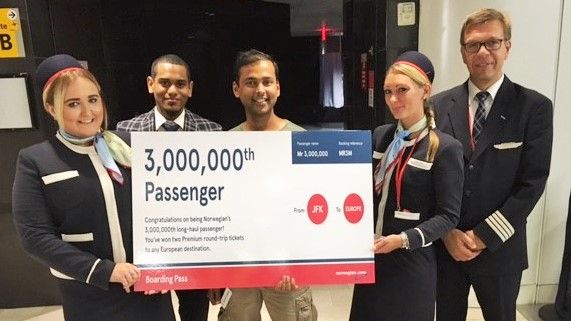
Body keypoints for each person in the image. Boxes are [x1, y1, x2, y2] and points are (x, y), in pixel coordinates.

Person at [12, 54, 175, 321]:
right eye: (73, 103)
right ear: (51, 109)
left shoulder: (132, 145)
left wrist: (166, 267)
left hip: (148, 288)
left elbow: (169, 206)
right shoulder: (36, 161)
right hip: (88, 291)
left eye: (93, 100)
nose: (88, 113)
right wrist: (104, 270)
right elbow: (35, 237)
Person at [432, 8, 554, 321]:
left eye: (492, 43)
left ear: (507, 47)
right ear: (462, 52)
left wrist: (484, 235)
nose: (483, 52)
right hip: (447, 249)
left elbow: (532, 183)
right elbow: (429, 178)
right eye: (473, 45)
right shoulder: (438, 106)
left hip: (501, 250)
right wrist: (447, 233)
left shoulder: (534, 107)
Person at [349, 51, 464, 321]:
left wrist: (403, 240)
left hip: (410, 262)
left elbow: (448, 216)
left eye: (402, 90)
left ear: (426, 90)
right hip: (371, 257)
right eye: (388, 91)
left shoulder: (444, 148)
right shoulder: (381, 136)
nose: (393, 99)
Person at [116, 53, 221, 321]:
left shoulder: (213, 132)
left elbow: (222, 200)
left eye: (180, 84)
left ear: (190, 88)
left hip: (196, 247)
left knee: (195, 316)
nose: (172, 91)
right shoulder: (125, 132)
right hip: (149, 249)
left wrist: (217, 272)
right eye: (164, 83)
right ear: (150, 84)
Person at [216, 49, 318, 321]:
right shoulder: (224, 144)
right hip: (239, 267)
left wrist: (299, 264)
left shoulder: (302, 141)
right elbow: (217, 211)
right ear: (236, 89)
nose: (260, 89)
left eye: (267, 81)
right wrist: (214, 271)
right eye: (250, 82)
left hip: (287, 271)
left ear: (278, 88)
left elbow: (313, 210)